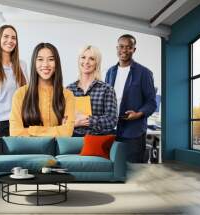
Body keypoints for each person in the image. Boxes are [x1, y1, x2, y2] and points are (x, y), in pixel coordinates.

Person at [105, 34, 157, 163]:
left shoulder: (144, 73)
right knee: (112, 167)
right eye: (121, 46)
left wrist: (138, 114)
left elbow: (151, 102)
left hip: (133, 132)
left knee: (132, 169)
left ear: (134, 49)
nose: (124, 50)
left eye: (129, 47)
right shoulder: (110, 72)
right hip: (110, 130)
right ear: (117, 48)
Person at [10, 43, 75, 137]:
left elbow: (67, 132)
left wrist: (31, 130)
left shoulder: (68, 95)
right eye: (40, 59)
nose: (45, 64)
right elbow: (15, 132)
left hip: (56, 150)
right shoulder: (20, 94)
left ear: (57, 63)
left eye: (51, 59)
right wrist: (57, 130)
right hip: (29, 150)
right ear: (34, 63)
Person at [67, 45, 117, 137]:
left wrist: (87, 119)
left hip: (96, 142)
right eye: (83, 57)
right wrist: (75, 123)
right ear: (79, 60)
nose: (86, 62)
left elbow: (112, 120)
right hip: (71, 141)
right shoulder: (69, 90)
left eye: (91, 59)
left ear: (97, 63)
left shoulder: (106, 89)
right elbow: (62, 120)